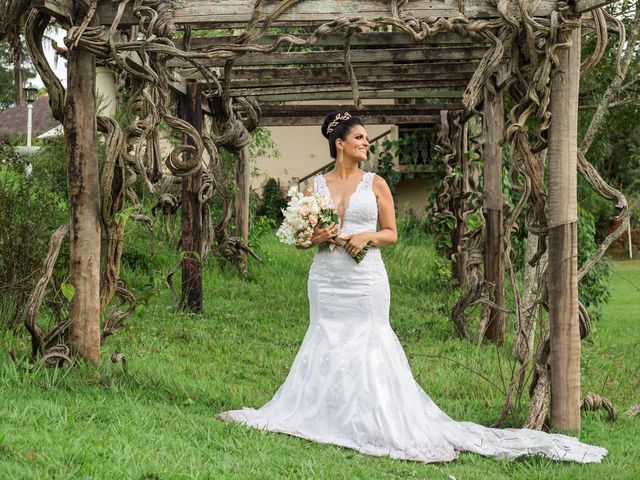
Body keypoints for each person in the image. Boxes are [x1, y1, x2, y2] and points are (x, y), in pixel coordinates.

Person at [217, 112, 607, 464]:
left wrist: (367, 236)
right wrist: (316, 236)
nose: (366, 144)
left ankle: (376, 417)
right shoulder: (314, 186)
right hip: (326, 279)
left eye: (367, 139)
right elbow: (301, 239)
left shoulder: (377, 183)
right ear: (339, 143)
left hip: (366, 279)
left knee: (369, 340)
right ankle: (328, 412)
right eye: (359, 139)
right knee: (325, 336)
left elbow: (391, 233)